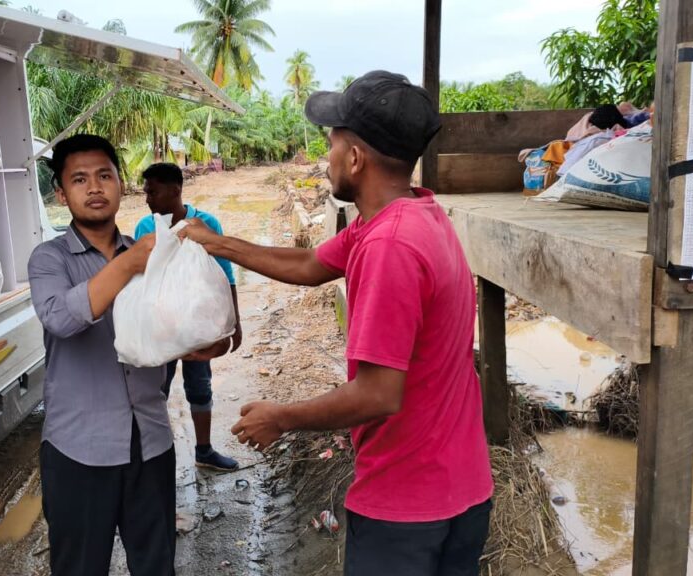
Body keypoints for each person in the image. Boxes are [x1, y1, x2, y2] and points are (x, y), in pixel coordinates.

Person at [180, 71, 494, 575]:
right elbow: (309, 267)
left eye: (330, 143)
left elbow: (378, 394)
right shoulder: (410, 215)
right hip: (461, 488)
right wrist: (218, 243)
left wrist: (281, 418)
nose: (325, 158)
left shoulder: (389, 246)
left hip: (407, 508)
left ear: (354, 158)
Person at [27, 134, 229, 575]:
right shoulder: (49, 260)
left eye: (104, 175)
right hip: (78, 450)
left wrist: (208, 339)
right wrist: (130, 263)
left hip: (151, 441)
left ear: (121, 185)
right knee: (80, 567)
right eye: (79, 179)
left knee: (157, 565)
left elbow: (178, 323)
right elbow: (62, 319)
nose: (94, 187)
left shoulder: (154, 254)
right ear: (61, 193)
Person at [134, 162, 241, 472]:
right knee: (156, 391)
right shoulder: (144, 228)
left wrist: (234, 323)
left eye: (152, 191)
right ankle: (152, 457)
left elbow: (225, 274)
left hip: (198, 327)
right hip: (161, 327)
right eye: (146, 192)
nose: (147, 198)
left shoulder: (206, 224)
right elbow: (139, 280)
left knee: (199, 385)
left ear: (175, 190)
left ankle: (204, 451)